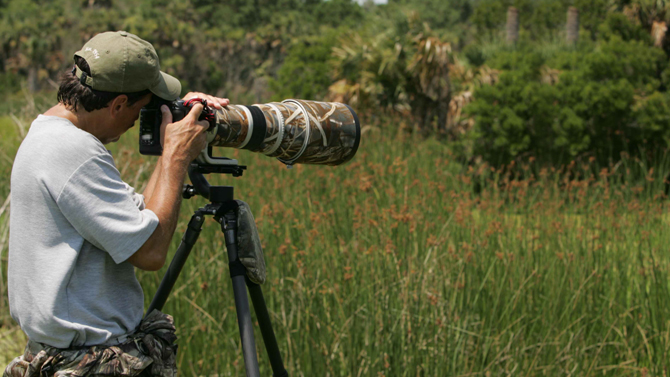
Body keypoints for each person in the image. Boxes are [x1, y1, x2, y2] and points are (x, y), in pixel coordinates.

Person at [3, 31, 228, 377]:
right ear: (118, 104)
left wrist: (174, 129)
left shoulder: (49, 134)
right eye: (140, 109)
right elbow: (150, 252)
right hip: (88, 360)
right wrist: (175, 158)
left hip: (64, 351)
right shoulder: (73, 151)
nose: (138, 120)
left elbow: (143, 217)